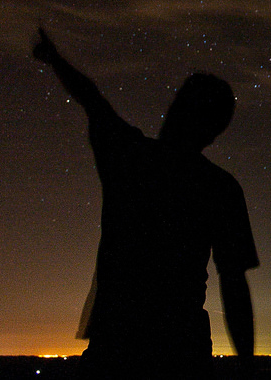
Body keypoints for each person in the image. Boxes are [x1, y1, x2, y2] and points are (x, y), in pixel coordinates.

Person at [33, 28, 259, 379]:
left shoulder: (131, 157)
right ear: (215, 132)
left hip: (119, 344)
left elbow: (92, 99)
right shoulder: (220, 187)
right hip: (181, 350)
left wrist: (55, 60)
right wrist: (247, 366)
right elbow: (234, 284)